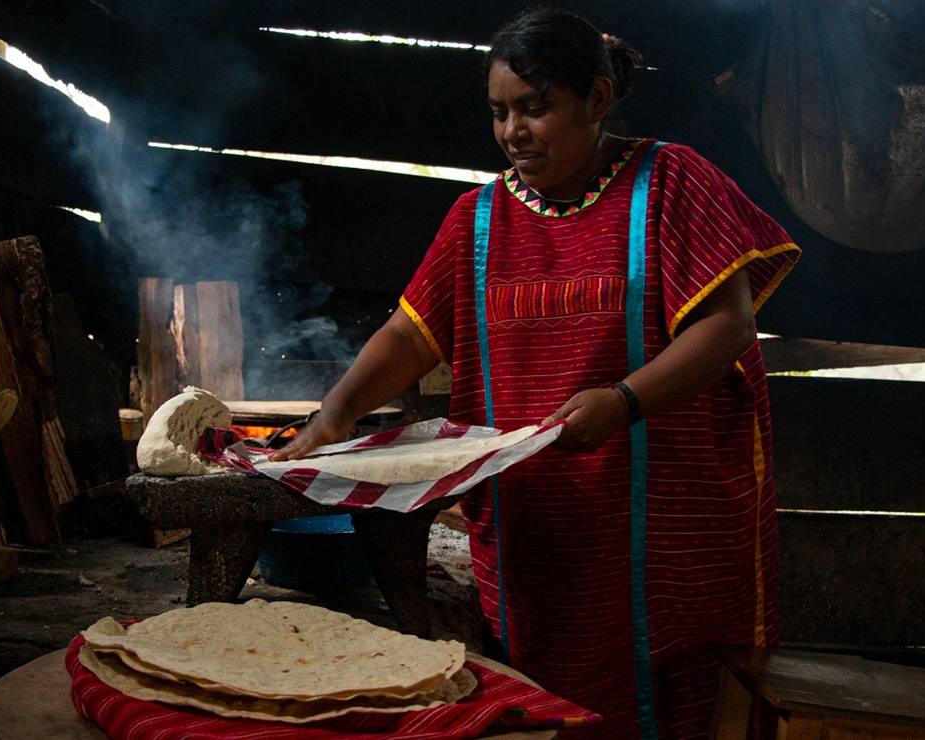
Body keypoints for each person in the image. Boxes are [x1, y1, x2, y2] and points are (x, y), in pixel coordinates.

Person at [272, 7, 800, 738]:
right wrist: (336, 414)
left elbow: (728, 327)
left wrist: (622, 402)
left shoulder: (671, 183)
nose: (514, 132)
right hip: (543, 540)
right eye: (500, 114)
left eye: (535, 108)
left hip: (674, 539)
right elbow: (408, 332)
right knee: (552, 715)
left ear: (596, 99)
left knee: (688, 706)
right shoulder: (478, 219)